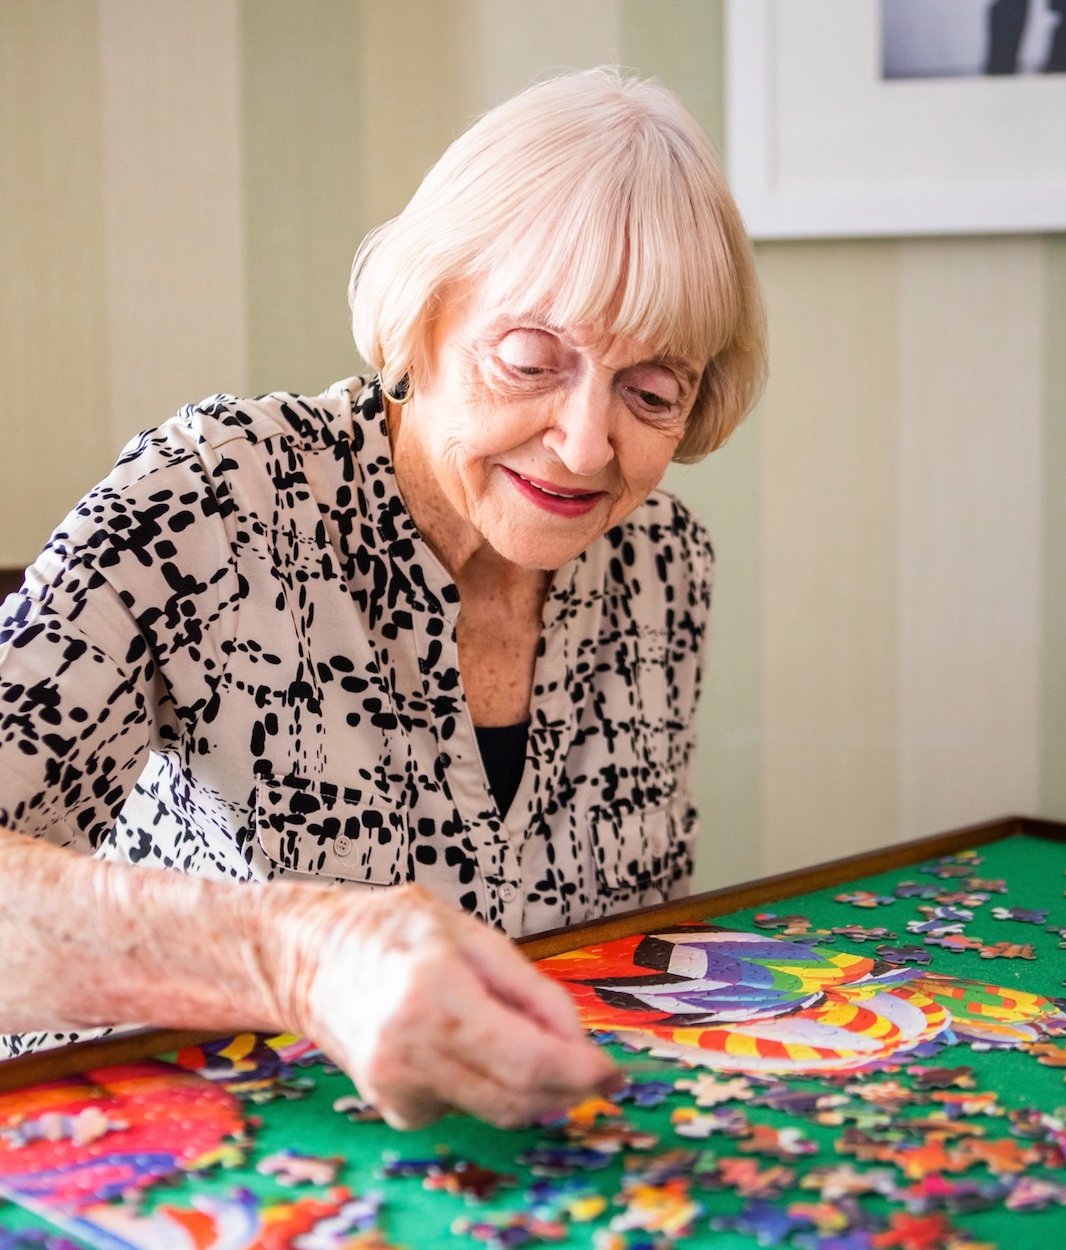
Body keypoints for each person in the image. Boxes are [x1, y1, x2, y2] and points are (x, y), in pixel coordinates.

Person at [0, 68, 766, 1129]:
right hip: (144, 1150)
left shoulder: (659, 561)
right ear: (424, 315)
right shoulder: (214, 498)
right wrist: (295, 954)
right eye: (529, 357)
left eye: (650, 392)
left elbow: (622, 952)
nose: (588, 443)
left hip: (492, 1158)